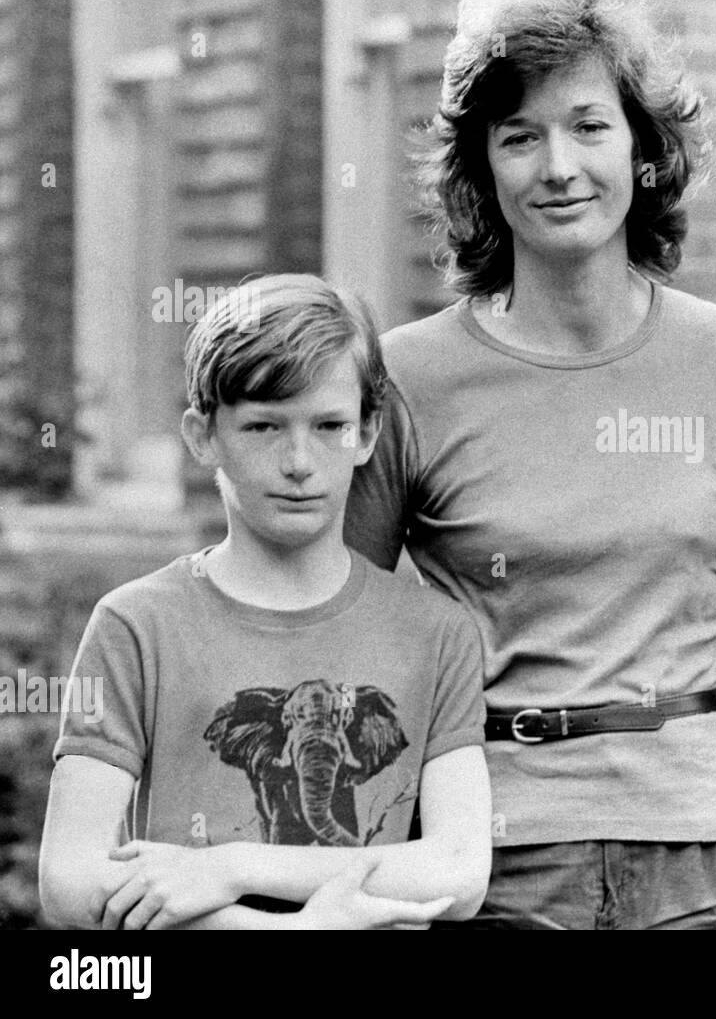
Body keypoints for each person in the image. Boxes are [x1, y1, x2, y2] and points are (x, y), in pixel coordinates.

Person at [345, 0, 716, 929]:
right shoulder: (409, 377)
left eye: (589, 125)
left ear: (641, 146)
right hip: (494, 865)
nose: (558, 167)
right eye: (518, 136)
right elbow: (346, 636)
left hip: (704, 864)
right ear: (479, 167)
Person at [39, 274, 491, 929]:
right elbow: (69, 879)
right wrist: (287, 930)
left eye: (329, 424)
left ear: (368, 434)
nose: (300, 460)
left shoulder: (436, 632)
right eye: (263, 426)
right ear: (202, 436)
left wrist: (229, 866)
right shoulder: (136, 625)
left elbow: (457, 870)